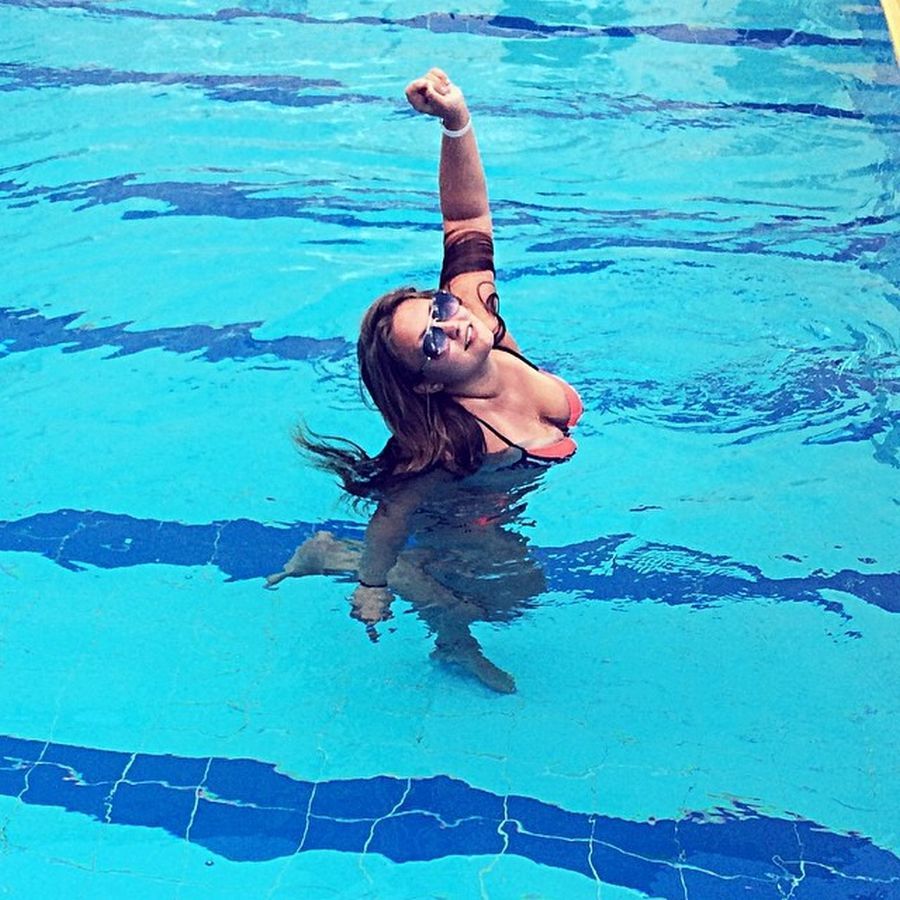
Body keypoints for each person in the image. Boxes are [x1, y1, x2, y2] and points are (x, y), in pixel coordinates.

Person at [272, 68, 583, 693]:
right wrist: (371, 583)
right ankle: (347, 565)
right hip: (465, 518)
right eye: (431, 343)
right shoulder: (451, 445)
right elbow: (393, 514)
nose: (452, 325)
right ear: (429, 384)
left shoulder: (482, 319)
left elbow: (466, 216)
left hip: (504, 501)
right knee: (501, 597)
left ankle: (432, 628)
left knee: (510, 591)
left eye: (440, 310)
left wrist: (456, 121)